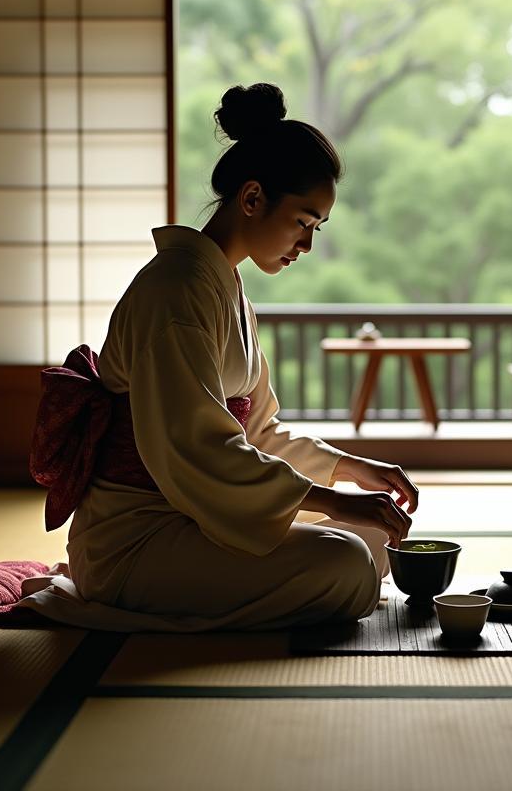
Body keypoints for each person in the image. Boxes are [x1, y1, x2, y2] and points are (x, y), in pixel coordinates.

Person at [25, 82, 419, 631]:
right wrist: (330, 503)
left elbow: (255, 435)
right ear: (252, 199)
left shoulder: (226, 290)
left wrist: (350, 471)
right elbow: (200, 448)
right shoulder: (174, 291)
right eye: (303, 222)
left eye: (316, 228)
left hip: (196, 517)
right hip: (141, 538)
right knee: (350, 564)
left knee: (374, 537)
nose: (306, 245)